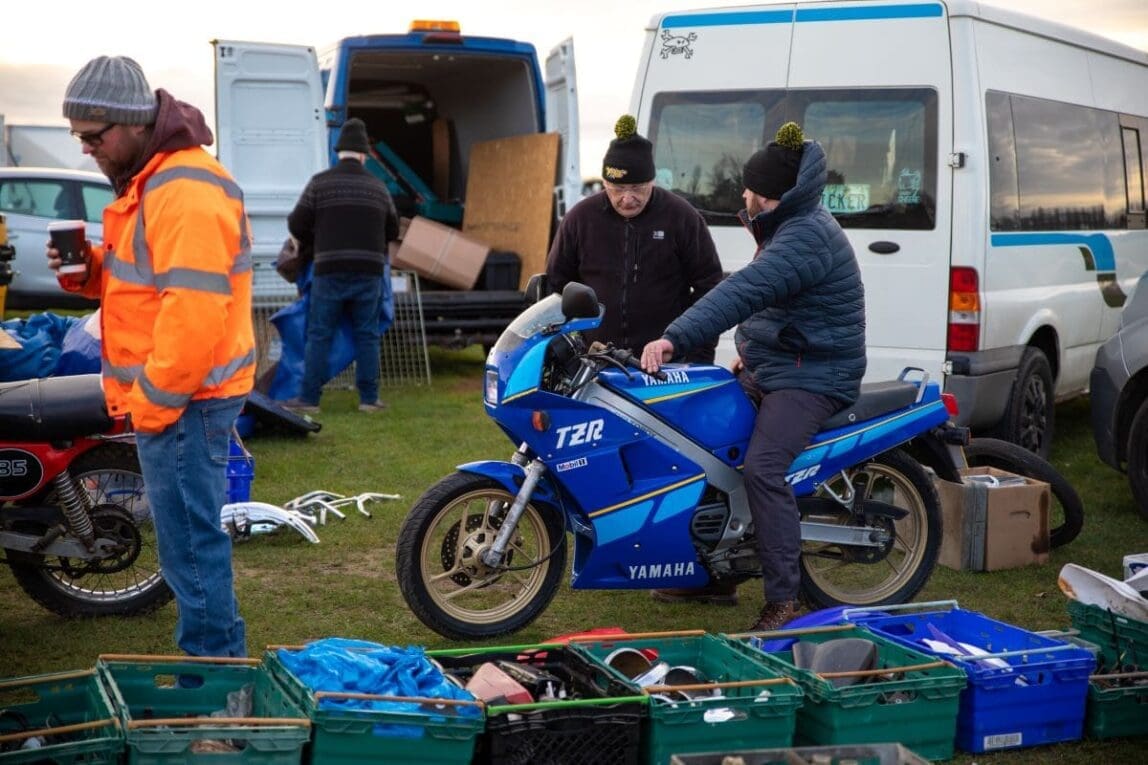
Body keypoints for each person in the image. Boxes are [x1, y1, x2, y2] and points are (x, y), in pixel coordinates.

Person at [49, 55, 255, 657]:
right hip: (180, 397)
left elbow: (193, 315)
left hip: (186, 399)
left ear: (135, 123)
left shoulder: (183, 189)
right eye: (79, 136)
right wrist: (90, 272)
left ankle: (214, 682)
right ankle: (213, 671)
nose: (87, 148)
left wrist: (154, 406)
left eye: (95, 135)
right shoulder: (157, 179)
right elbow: (152, 282)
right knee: (185, 544)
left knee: (189, 547)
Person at [640, 122, 867, 631]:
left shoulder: (806, 234)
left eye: (751, 190)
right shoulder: (789, 223)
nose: (742, 195)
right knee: (704, 443)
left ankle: (783, 601)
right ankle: (715, 572)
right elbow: (774, 304)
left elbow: (743, 291)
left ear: (771, 195)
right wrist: (750, 350)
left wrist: (672, 337)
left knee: (763, 469)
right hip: (784, 362)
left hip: (815, 376)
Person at [546, 115, 723, 362]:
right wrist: (566, 350)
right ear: (605, 182)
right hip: (594, 360)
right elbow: (555, 288)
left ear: (652, 181)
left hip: (666, 363)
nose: (627, 199)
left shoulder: (682, 217)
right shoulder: (579, 219)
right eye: (617, 189)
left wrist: (696, 355)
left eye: (638, 188)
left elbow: (710, 288)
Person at [282, 118, 399, 414]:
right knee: (367, 334)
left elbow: (296, 222)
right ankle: (369, 400)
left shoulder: (320, 183)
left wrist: (315, 239)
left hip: (329, 271)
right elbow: (393, 231)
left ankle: (309, 399)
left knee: (319, 333)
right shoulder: (378, 188)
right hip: (369, 273)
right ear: (363, 155)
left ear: (340, 152)